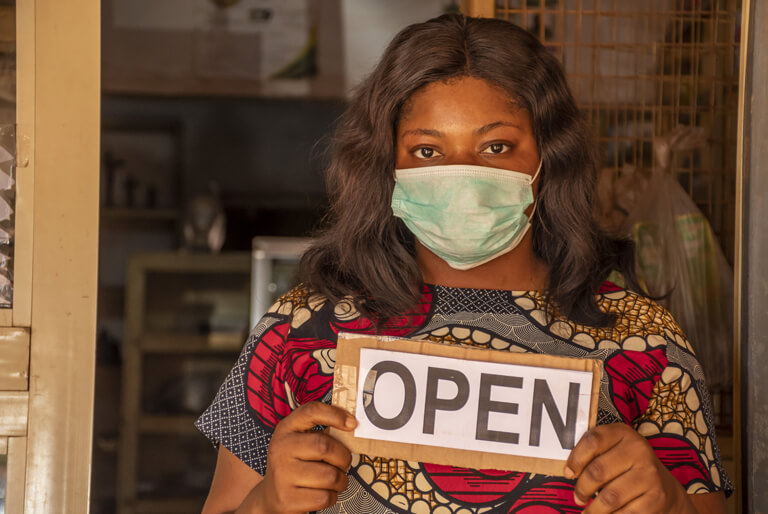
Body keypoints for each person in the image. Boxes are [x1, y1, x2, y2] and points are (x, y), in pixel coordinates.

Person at [196, 14, 732, 514]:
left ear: (548, 159)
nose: (462, 176)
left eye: (496, 147)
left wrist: (670, 501)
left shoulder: (641, 341)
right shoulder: (301, 330)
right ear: (387, 163)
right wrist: (267, 501)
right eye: (427, 151)